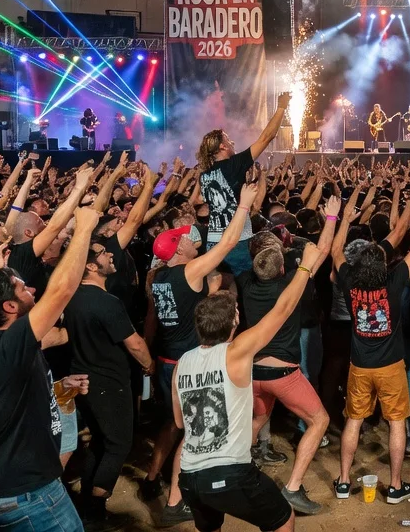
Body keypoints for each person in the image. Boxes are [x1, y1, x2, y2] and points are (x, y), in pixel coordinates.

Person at [172, 232, 330, 532]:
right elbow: (282, 309)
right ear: (234, 323)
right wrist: (305, 266)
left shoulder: (182, 363)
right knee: (283, 520)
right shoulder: (237, 351)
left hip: (190, 477)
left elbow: (181, 422)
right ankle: (293, 488)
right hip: (229, 473)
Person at [0, 200, 98, 532]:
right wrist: (84, 229)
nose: (31, 288)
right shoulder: (8, 343)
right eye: (22, 289)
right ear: (8, 307)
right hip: (27, 496)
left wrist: (59, 387)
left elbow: (9, 398)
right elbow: (61, 291)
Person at [143, 183, 257, 524]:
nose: (192, 238)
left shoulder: (157, 277)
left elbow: (154, 319)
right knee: (194, 432)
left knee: (172, 425)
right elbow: (226, 244)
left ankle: (151, 478)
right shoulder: (187, 271)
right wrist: (243, 206)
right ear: (178, 249)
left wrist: (147, 358)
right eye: (185, 238)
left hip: (166, 361)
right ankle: (175, 503)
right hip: (188, 363)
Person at [237, 196, 340, 514]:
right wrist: (332, 218)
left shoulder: (245, 282)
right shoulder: (289, 287)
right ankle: (293, 488)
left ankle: (236, 476)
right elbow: (321, 251)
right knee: (319, 420)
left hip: (253, 372)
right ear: (282, 267)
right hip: (283, 374)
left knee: (258, 419)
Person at [334, 196, 410, 504]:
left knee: (353, 421)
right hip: (390, 366)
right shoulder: (394, 281)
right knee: (396, 423)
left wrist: (342, 218)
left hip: (360, 365)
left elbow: (336, 252)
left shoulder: (349, 282)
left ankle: (343, 482)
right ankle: (394, 486)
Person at [62, 239, 156, 531]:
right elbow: (135, 343)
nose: (110, 255)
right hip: (109, 383)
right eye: (103, 253)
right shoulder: (107, 303)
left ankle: (88, 499)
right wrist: (149, 365)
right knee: (119, 444)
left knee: (101, 441)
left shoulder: (71, 297)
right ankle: (95, 508)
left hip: (83, 381)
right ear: (91, 266)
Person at [196, 91, 288, 275]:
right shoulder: (233, 165)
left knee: (221, 285)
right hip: (236, 241)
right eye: (228, 140)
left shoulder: (204, 176)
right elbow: (266, 137)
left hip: (213, 241)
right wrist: (281, 107)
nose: (232, 142)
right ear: (222, 146)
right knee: (245, 284)